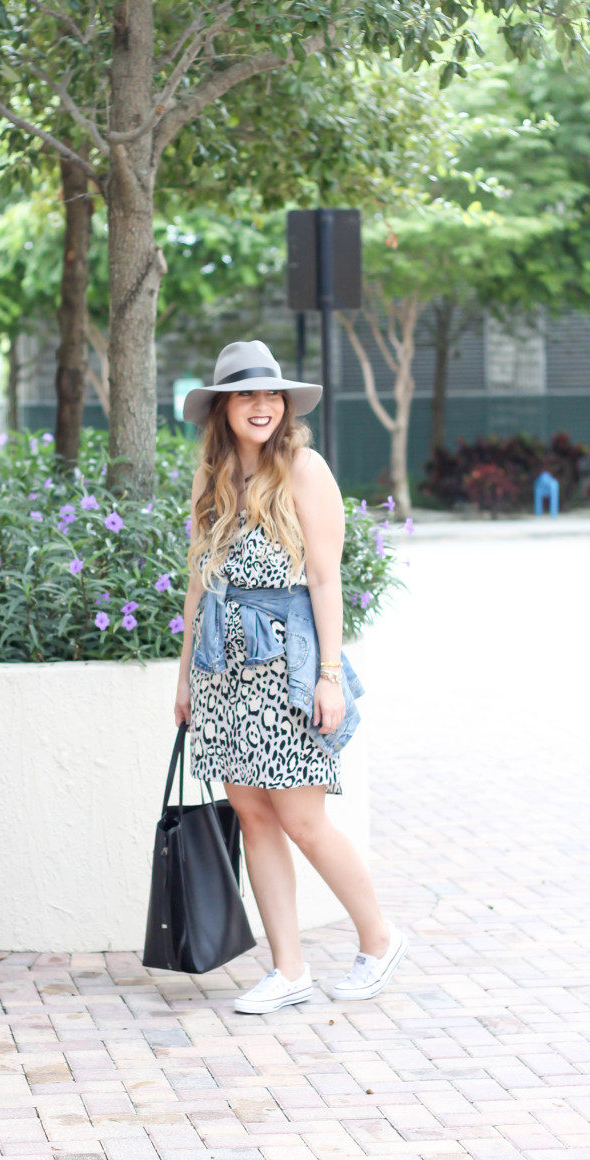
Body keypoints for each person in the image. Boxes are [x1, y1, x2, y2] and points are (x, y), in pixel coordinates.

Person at [173, 340, 408, 1014]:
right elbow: (199, 583)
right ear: (223, 406)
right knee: (251, 812)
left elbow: (326, 579)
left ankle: (379, 937)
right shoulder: (211, 477)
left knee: (302, 817)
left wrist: (329, 677)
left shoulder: (305, 470)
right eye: (247, 394)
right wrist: (186, 675)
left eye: (271, 394)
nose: (263, 405)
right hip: (222, 670)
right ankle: (289, 969)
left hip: (284, 663)